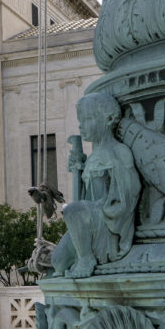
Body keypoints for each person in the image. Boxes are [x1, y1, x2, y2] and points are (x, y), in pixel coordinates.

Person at [52, 93, 141, 278]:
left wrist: (106, 209)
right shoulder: (92, 158)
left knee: (71, 210)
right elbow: (81, 201)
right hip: (88, 218)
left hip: (107, 221)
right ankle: (83, 255)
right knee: (58, 262)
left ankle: (86, 259)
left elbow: (130, 193)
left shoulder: (119, 151)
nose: (82, 125)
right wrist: (77, 170)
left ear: (108, 119)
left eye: (88, 119)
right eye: (80, 120)